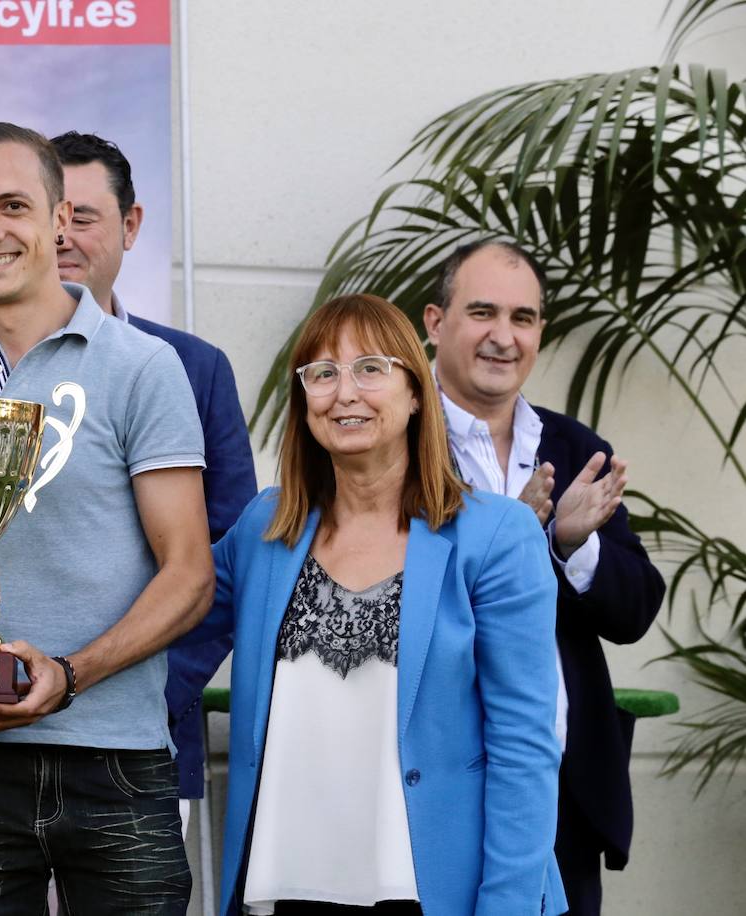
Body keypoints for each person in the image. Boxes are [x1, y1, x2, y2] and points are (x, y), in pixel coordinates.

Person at [0, 122, 212, 914]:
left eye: (12, 205)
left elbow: (190, 576)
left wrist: (67, 676)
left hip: (118, 762)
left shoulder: (142, 367)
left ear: (60, 219)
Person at [187, 293, 567, 916]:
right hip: (286, 885)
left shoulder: (495, 536)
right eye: (322, 373)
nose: (345, 392)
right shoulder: (266, 530)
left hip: (434, 892)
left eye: (370, 368)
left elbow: (524, 749)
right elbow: (174, 618)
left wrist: (507, 906)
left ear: (417, 391)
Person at [422, 240, 666, 916]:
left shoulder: (575, 447)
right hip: (426, 786)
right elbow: (379, 595)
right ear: (436, 322)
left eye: (523, 318)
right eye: (482, 313)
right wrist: (512, 540)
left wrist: (570, 546)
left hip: (560, 793)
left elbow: (635, 609)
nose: (504, 337)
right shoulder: (392, 439)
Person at [50, 129, 257, 816]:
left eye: (83, 216)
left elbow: (227, 560)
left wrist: (143, 685)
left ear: (131, 225)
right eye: (47, 214)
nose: (63, 236)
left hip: (146, 740)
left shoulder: (193, 371)